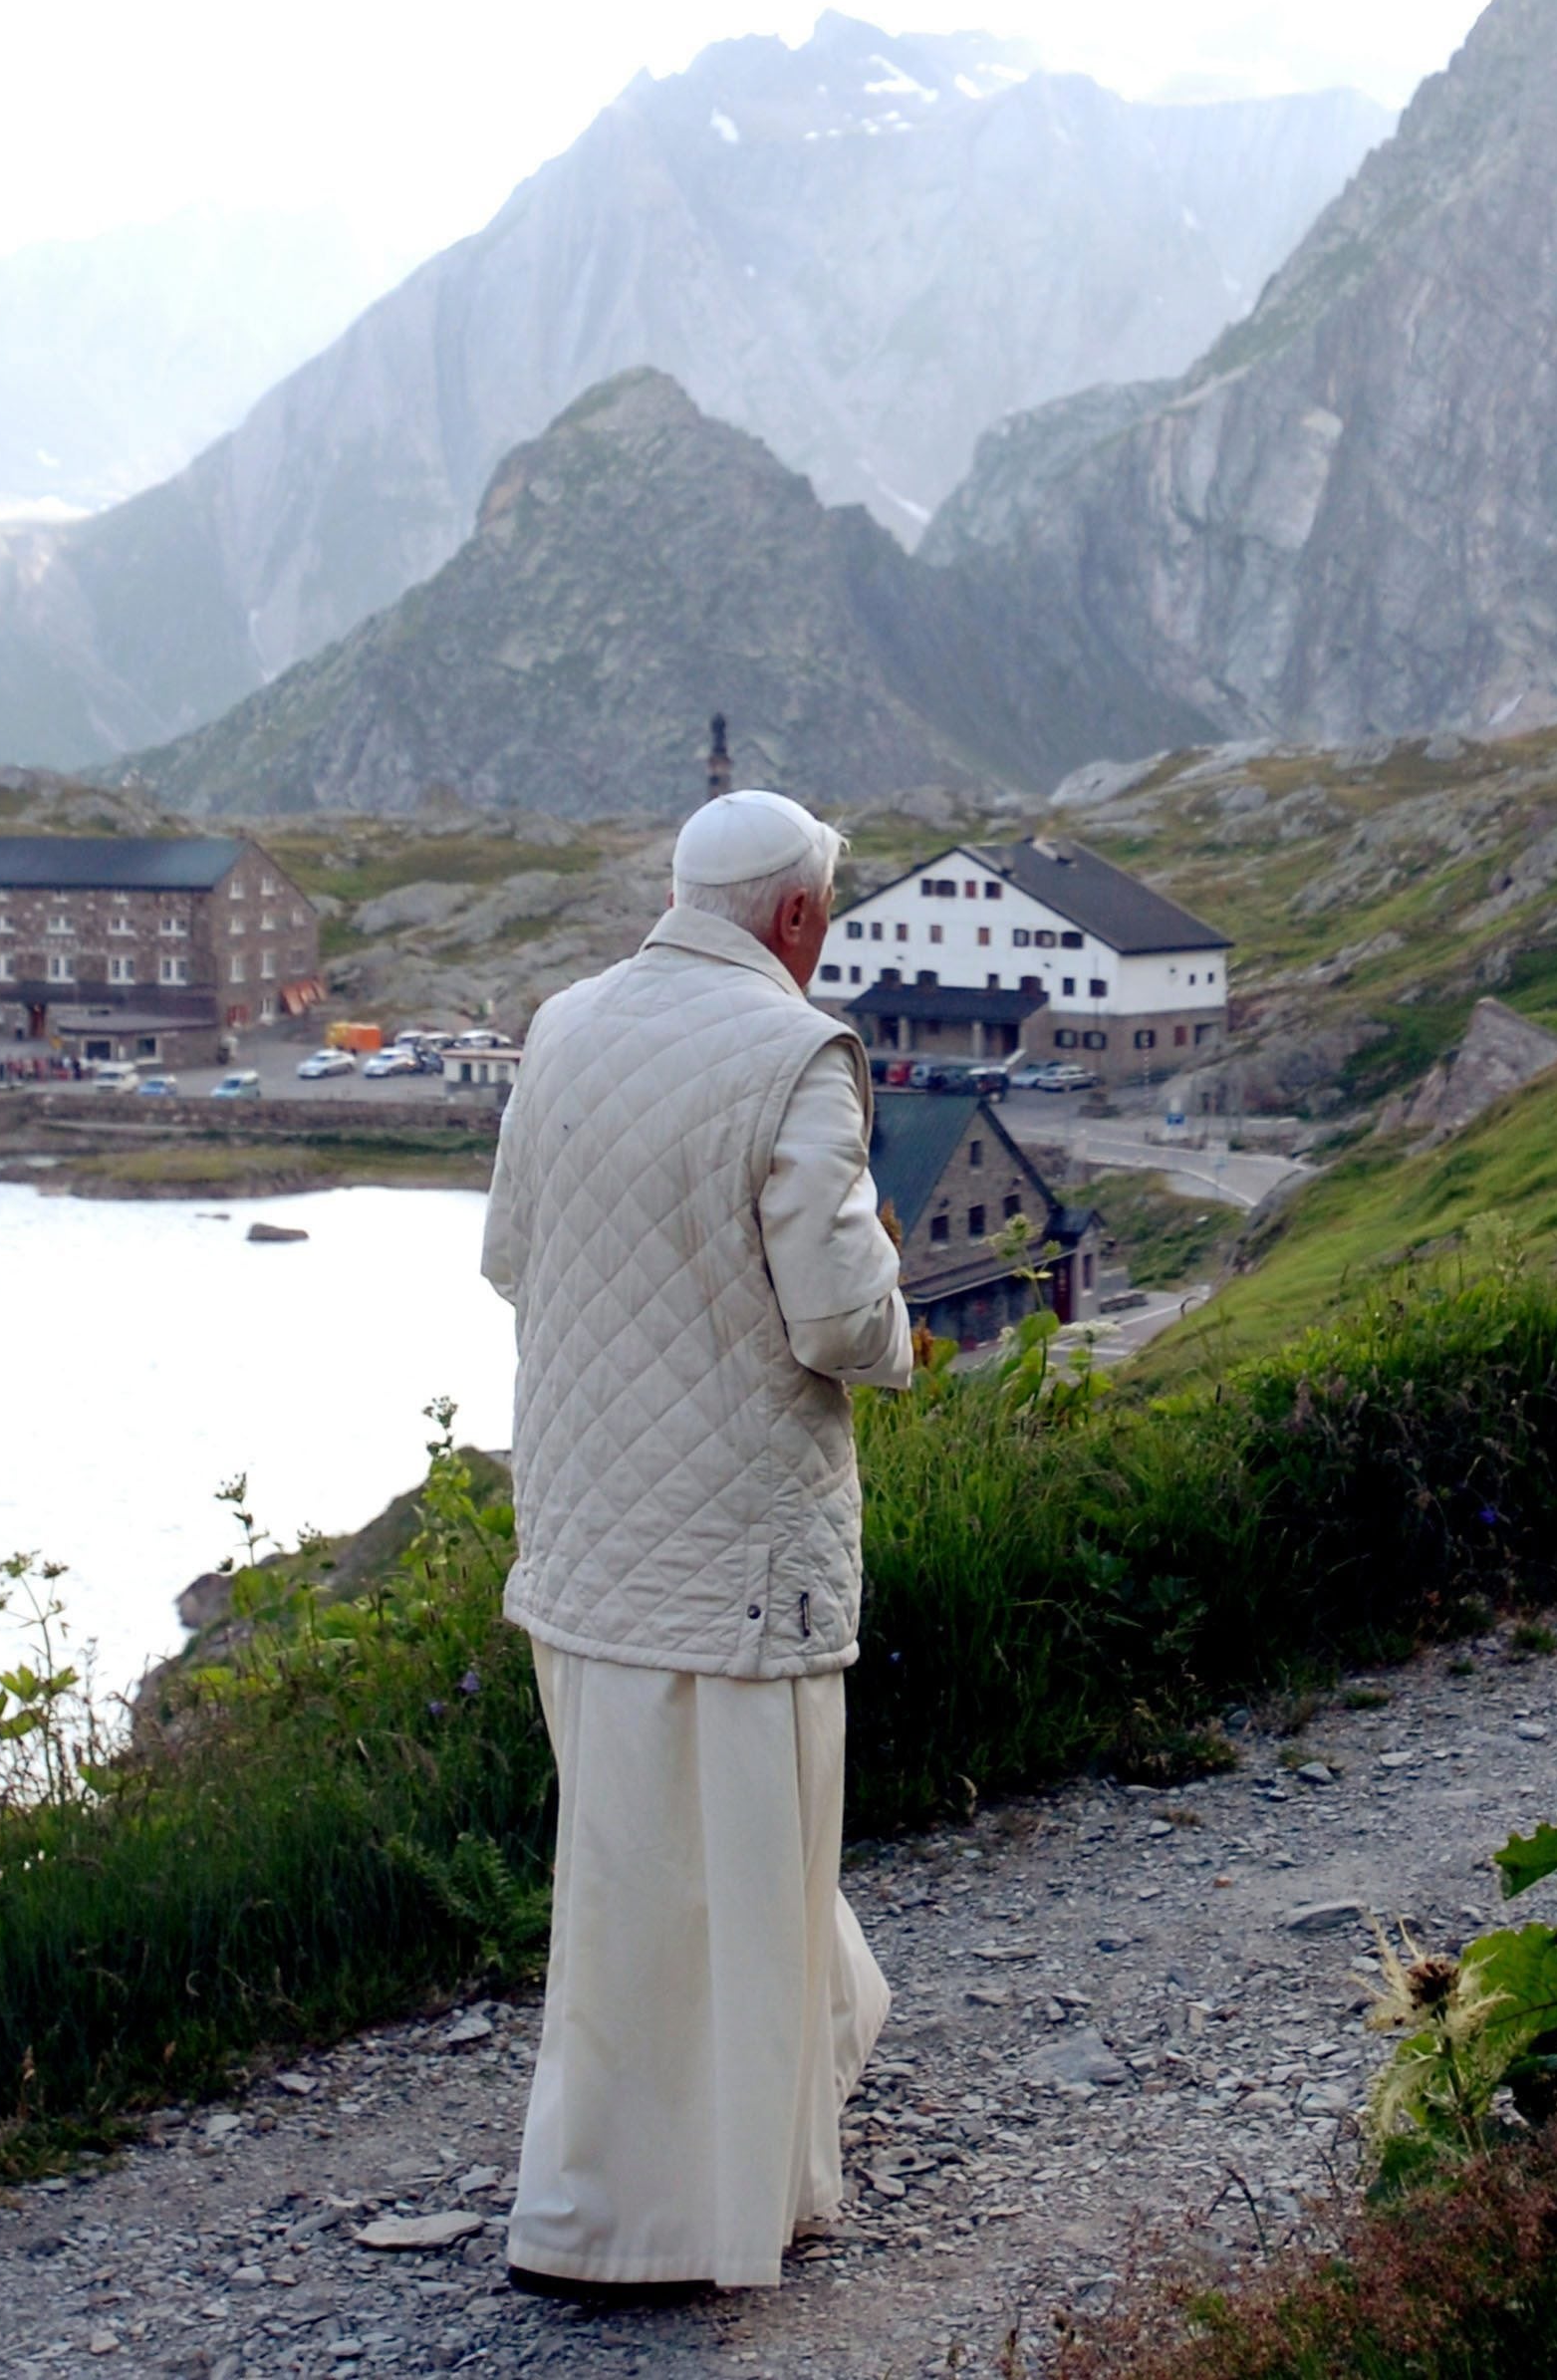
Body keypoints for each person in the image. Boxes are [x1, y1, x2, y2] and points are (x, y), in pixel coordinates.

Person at [480, 788, 913, 2294]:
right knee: (750, 1856)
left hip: (588, 1535)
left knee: (628, 1875)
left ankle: (597, 2201)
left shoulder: (566, 1023)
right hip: (741, 1552)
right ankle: (722, 2208)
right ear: (797, 918)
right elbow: (843, 1317)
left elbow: (507, 1256)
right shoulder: (799, 1054)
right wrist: (904, 1309)